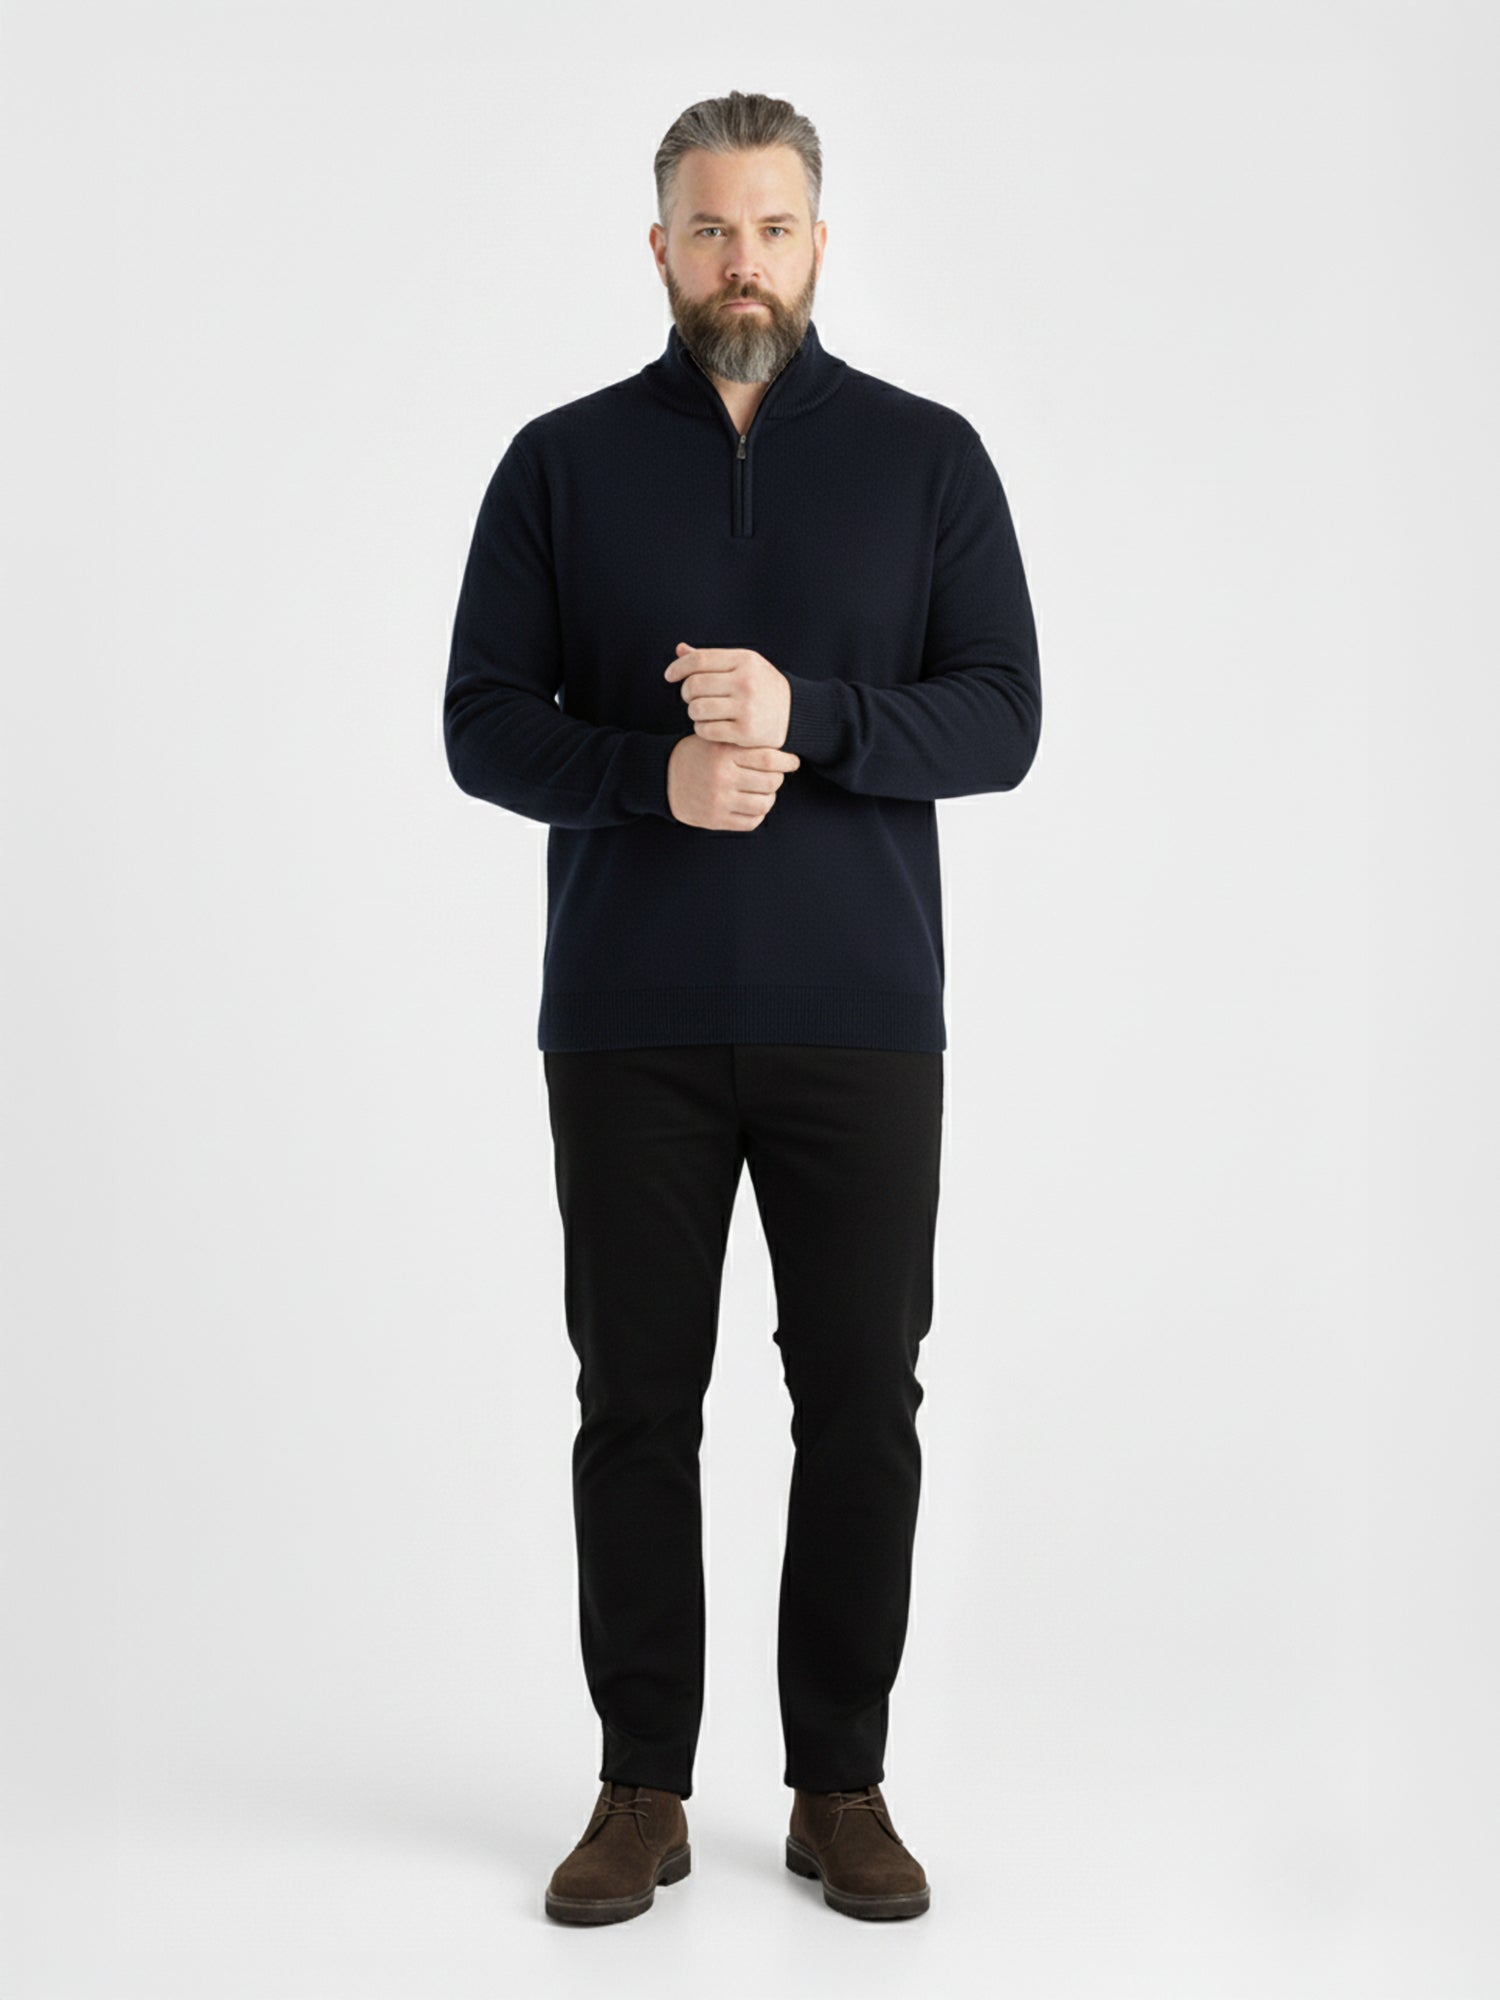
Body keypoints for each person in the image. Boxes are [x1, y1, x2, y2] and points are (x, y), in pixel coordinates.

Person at [443, 88, 1041, 1926]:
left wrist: (811, 716)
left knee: (862, 1400)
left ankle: (840, 1784)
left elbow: (1004, 714)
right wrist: (652, 776)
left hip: (864, 1017)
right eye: (710, 229)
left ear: (819, 243)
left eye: (773, 228)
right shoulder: (559, 464)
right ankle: (641, 1787)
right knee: (636, 1402)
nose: (742, 263)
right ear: (661, 248)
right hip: (626, 1017)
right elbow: (481, 724)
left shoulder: (928, 460)